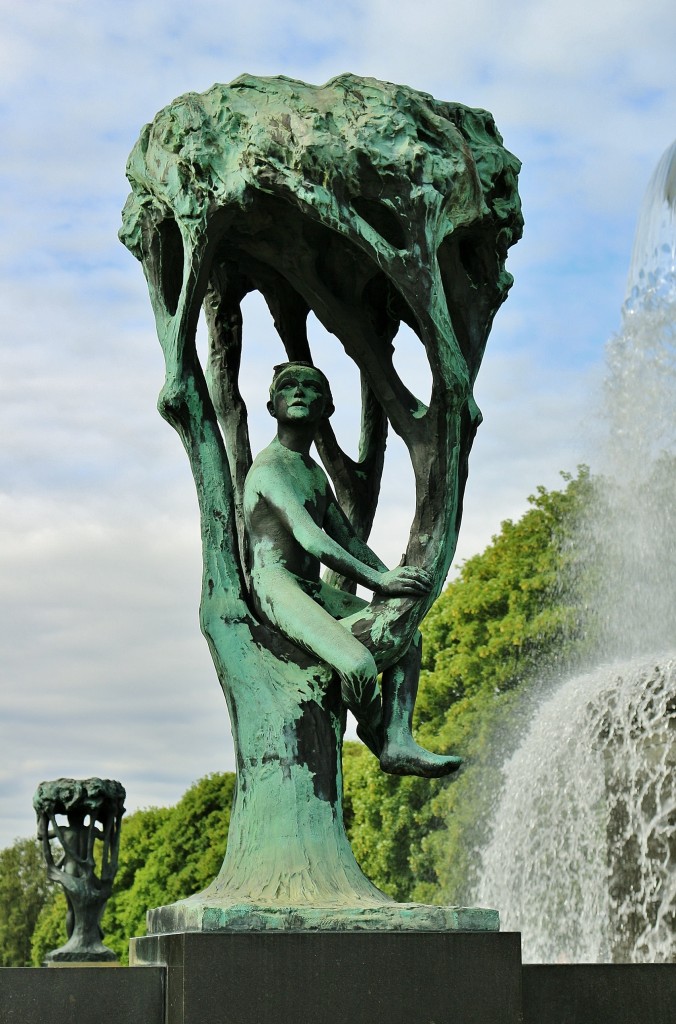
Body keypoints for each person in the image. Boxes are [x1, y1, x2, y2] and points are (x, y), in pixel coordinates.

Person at [243, 360, 462, 777]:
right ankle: (374, 725)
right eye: (289, 386)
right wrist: (379, 580)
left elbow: (349, 541)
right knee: (358, 665)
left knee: (407, 637)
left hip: (309, 587)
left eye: (312, 387)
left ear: (327, 408)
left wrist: (391, 585)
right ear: (272, 406)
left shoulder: (313, 473)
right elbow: (310, 538)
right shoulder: (270, 467)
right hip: (275, 585)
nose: (300, 392)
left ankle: (398, 740)